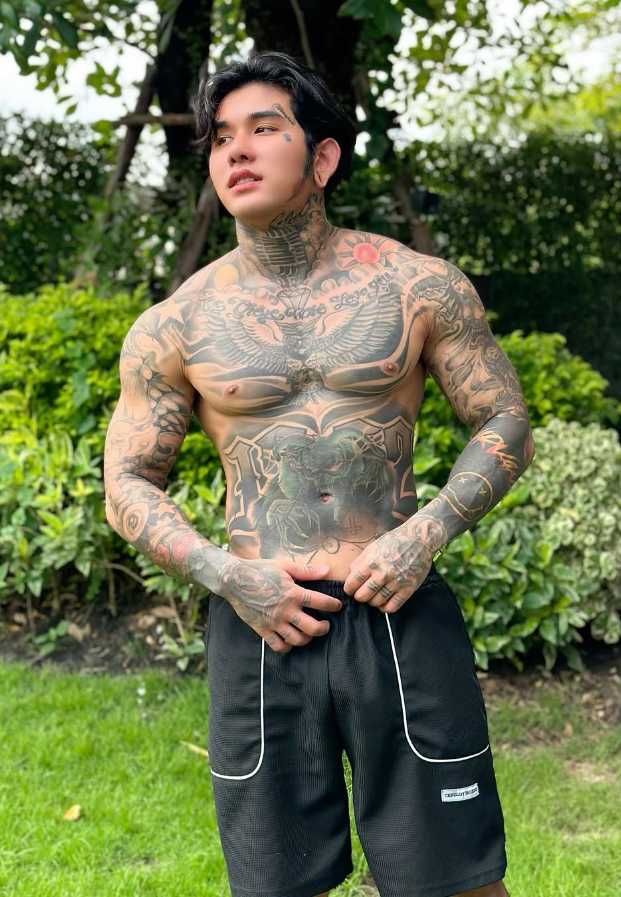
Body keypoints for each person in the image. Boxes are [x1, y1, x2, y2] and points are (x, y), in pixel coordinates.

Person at [104, 49, 535, 897]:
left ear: (324, 156)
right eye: (221, 137)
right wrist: (225, 574)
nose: (235, 150)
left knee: (458, 880)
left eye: (263, 128)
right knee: (275, 886)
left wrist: (425, 533)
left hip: (397, 608)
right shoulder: (174, 325)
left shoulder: (419, 287)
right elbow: (127, 484)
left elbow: (505, 419)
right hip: (259, 620)